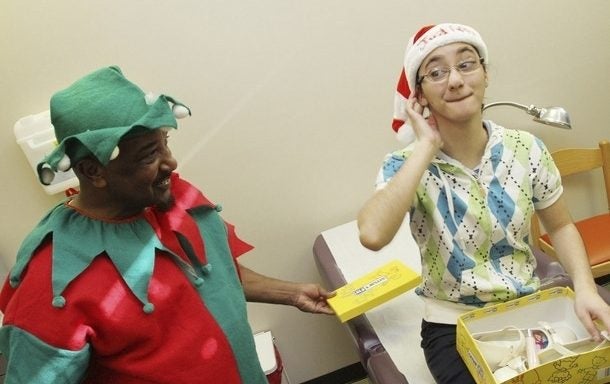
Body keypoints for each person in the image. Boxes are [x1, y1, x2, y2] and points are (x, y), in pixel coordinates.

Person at [0, 66, 334, 384]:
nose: (171, 163)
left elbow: (212, 272)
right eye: (148, 156)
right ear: (92, 171)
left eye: (165, 144)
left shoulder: (174, 200)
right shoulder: (54, 282)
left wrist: (292, 293)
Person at [356, 23, 610, 383]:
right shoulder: (404, 166)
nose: (456, 80)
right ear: (420, 95)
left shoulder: (526, 149)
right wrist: (426, 146)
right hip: (452, 326)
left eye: (466, 64)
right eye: (437, 72)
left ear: (486, 74)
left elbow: (561, 225)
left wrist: (584, 288)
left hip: (529, 307)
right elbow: (372, 234)